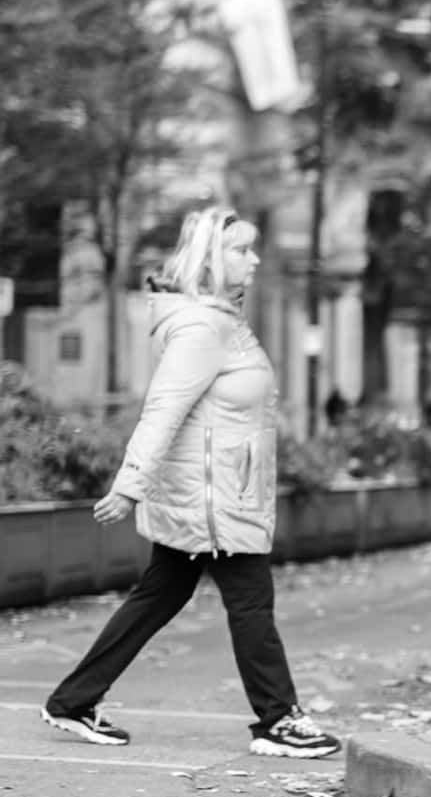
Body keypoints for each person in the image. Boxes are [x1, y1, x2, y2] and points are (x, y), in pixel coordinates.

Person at [40, 207, 341, 759]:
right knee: (251, 601)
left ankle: (73, 701)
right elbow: (164, 407)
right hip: (213, 499)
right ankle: (278, 718)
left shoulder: (220, 320)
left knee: (159, 595)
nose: (253, 259)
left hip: (220, 489)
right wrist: (131, 482)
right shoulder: (202, 327)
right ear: (209, 258)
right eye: (240, 250)